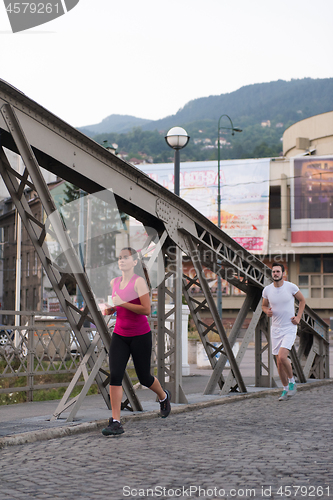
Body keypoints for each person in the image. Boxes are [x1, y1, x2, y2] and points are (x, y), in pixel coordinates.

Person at [102, 247, 171, 436]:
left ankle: (163, 396)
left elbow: (146, 309)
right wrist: (111, 310)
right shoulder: (114, 282)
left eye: (126, 258)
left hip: (140, 335)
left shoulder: (139, 282)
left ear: (134, 262)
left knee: (144, 378)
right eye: (119, 258)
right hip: (120, 335)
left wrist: (121, 303)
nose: (121, 260)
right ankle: (116, 421)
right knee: (115, 375)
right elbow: (118, 306)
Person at [262, 262, 306, 401]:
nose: (275, 274)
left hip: (289, 327)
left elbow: (302, 300)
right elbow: (264, 305)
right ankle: (285, 389)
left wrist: (298, 317)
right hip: (275, 329)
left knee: (282, 356)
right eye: (273, 271)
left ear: (283, 273)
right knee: (279, 362)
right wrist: (266, 311)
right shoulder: (267, 290)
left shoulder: (291, 287)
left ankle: (292, 382)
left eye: (278, 271)